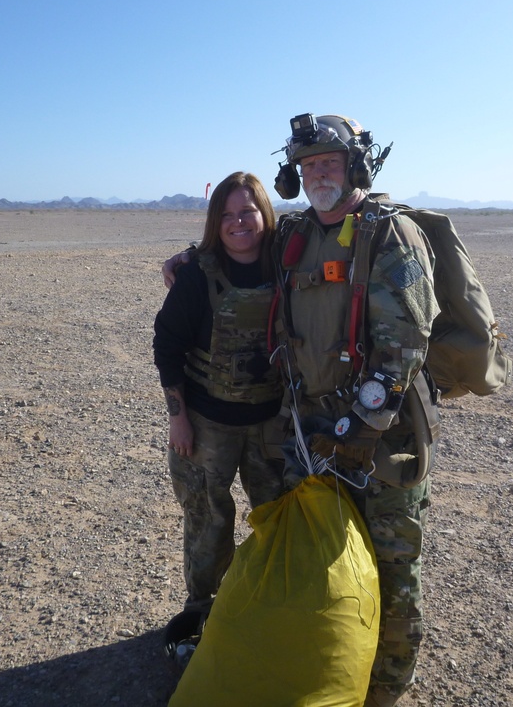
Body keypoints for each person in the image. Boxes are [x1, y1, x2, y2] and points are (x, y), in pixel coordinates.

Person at [164, 114, 440, 706]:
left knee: (392, 570)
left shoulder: (391, 235)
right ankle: (320, 671)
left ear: (355, 167)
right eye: (309, 165)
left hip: (381, 440)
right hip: (311, 434)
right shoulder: (298, 234)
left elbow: (406, 347)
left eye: (330, 163)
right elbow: (238, 242)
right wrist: (188, 259)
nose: (319, 174)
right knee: (317, 557)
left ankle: (384, 690)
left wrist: (359, 431)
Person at [152, 171, 285, 635]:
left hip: (273, 423)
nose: (238, 223)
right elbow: (167, 346)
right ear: (215, 222)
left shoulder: (289, 263)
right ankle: (201, 609)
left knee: (278, 517)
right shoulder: (197, 276)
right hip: (208, 424)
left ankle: (272, 602)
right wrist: (179, 419)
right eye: (226, 215)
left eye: (247, 211)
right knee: (208, 520)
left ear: (264, 213)